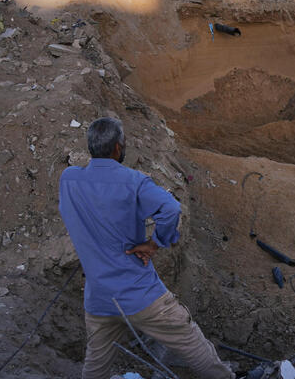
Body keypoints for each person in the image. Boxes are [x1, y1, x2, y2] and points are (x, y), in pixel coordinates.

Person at [59, 117, 234, 379]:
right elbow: (171, 208)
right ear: (118, 148)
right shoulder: (134, 181)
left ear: (91, 147)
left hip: (98, 299)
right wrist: (154, 243)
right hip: (139, 293)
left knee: (95, 364)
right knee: (188, 339)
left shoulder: (69, 179)